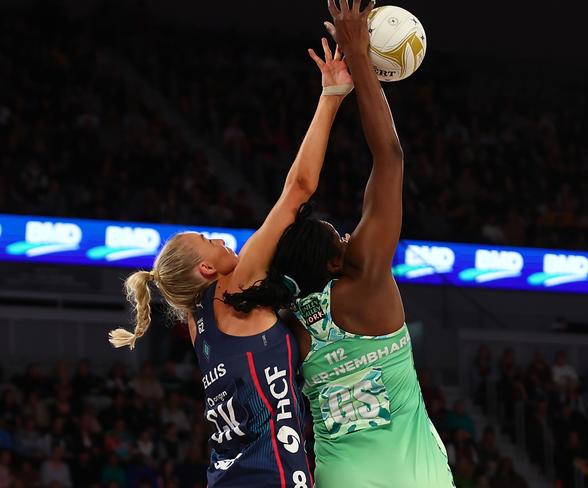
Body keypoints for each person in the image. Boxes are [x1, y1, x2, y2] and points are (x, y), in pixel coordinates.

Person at [224, 1, 454, 486]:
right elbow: (389, 156)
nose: (350, 235)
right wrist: (357, 55)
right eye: (341, 236)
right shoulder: (366, 284)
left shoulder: (285, 324)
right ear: (333, 261)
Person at [109, 37, 354, 487]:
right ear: (205, 270)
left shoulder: (197, 317)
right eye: (205, 240)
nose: (218, 238)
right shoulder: (235, 284)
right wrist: (331, 96)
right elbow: (298, 189)